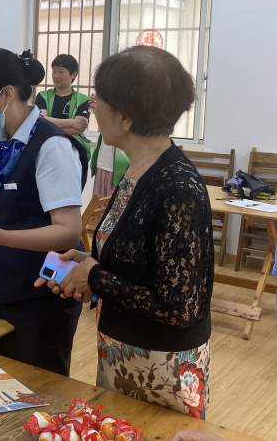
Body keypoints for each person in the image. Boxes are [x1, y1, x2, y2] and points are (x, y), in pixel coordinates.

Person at [37, 46, 214, 419]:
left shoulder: (177, 186)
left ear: (127, 116)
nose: (93, 107)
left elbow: (179, 306)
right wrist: (88, 262)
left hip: (162, 365)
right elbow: (138, 260)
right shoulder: (136, 170)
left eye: (100, 99)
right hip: (122, 347)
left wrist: (95, 276)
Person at [0, 48, 87, 376]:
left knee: (39, 384)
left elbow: (68, 230)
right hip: (2, 287)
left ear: (7, 94)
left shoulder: (52, 145)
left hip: (42, 293)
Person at [36, 54, 91, 157]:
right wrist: (73, 122)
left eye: (61, 72)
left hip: (75, 150)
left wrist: (48, 122)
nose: (56, 76)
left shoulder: (83, 100)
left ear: (73, 74)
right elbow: (40, 122)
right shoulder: (42, 96)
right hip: (47, 148)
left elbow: (80, 126)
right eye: (54, 71)